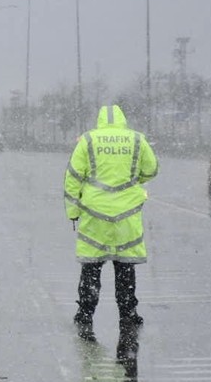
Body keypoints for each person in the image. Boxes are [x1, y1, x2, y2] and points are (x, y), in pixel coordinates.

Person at [63, 104, 159, 337]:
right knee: (125, 267)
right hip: (127, 215)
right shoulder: (137, 140)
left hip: (94, 215)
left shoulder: (87, 141)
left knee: (91, 268)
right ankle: (128, 313)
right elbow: (151, 169)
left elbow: (73, 179)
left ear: (100, 121)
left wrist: (73, 212)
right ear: (122, 120)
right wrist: (133, 180)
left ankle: (85, 313)